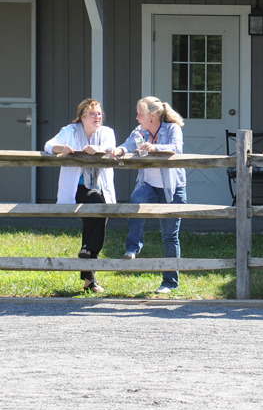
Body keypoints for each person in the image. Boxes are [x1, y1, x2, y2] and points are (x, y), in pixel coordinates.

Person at [109, 96, 187, 294]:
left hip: (172, 188)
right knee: (136, 200)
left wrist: (155, 148)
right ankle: (133, 248)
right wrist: (119, 150)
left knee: (170, 236)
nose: (137, 117)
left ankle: (169, 282)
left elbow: (176, 148)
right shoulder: (140, 131)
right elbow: (128, 144)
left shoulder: (172, 128)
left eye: (140, 114)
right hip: (148, 184)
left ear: (152, 115)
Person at [45, 99, 117, 293]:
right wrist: (60, 148)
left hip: (100, 187)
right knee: (97, 206)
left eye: (99, 113)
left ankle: (88, 275)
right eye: (92, 114)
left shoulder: (107, 132)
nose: (97, 117)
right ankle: (89, 256)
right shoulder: (70, 131)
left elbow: (111, 147)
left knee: (94, 222)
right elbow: (49, 145)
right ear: (82, 117)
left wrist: (99, 149)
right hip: (77, 188)